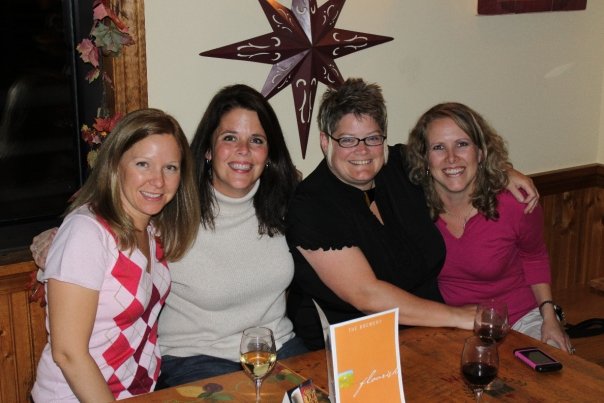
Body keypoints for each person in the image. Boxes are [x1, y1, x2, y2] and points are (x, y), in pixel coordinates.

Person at [29, 84, 307, 387]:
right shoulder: (173, 209)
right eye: (229, 137)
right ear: (208, 150)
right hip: (196, 358)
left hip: (276, 349)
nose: (243, 150)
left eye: (256, 140)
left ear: (269, 153)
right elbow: (104, 221)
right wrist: (56, 235)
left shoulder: (286, 204)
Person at [285, 78, 540, 350]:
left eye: (372, 138)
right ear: (326, 142)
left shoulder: (400, 167)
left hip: (431, 333)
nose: (362, 150)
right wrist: (459, 316)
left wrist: (503, 172)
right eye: (347, 140)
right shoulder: (311, 206)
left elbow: (450, 161)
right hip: (353, 346)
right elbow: (366, 295)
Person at [30, 108, 201, 401]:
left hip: (136, 393)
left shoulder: (153, 230)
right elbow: (68, 353)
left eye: (170, 168)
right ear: (115, 164)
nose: (158, 181)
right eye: (143, 164)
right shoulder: (86, 232)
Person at [406, 102, 571, 352]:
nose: (451, 157)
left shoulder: (515, 203)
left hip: (519, 319)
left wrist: (550, 319)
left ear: (481, 153)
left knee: (554, 366)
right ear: (425, 158)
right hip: (450, 324)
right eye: (438, 147)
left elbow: (534, 256)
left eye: (462, 144)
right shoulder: (410, 205)